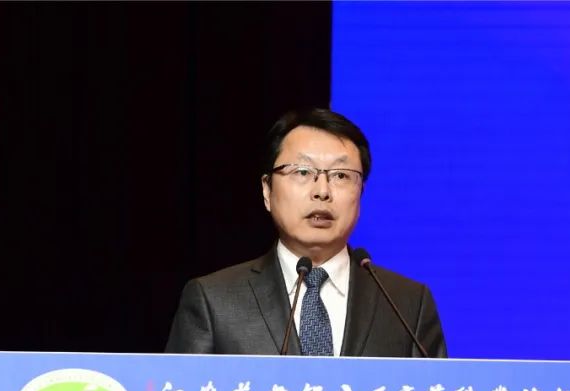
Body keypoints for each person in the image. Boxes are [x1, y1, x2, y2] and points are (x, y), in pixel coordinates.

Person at [165, 108, 447, 358]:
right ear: (267, 190)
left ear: (361, 192)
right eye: (302, 172)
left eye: (340, 175)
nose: (322, 191)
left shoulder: (408, 305)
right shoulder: (214, 300)